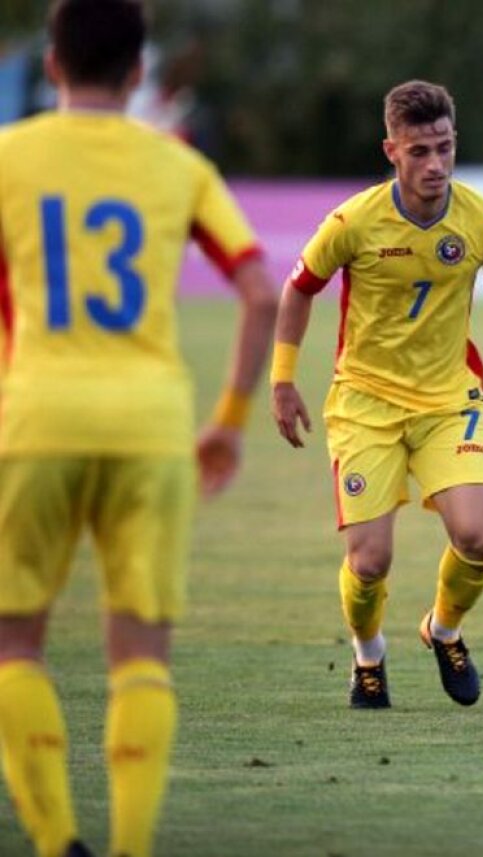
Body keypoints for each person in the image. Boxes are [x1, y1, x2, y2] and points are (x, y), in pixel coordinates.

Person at [0, 1, 277, 854]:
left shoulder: (9, 157)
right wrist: (228, 419)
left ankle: (53, 840)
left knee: (14, 641)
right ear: (136, 73)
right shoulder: (176, 165)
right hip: (152, 424)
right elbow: (262, 291)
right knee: (140, 652)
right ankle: (128, 845)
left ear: (51, 66)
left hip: (37, 415)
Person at [270, 80, 483, 712]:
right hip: (365, 403)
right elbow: (298, 289)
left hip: (450, 399)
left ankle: (443, 630)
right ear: (391, 150)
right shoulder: (354, 221)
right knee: (369, 561)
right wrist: (282, 380)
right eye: (419, 151)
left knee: (479, 535)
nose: (435, 165)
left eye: (445, 148)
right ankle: (368, 656)